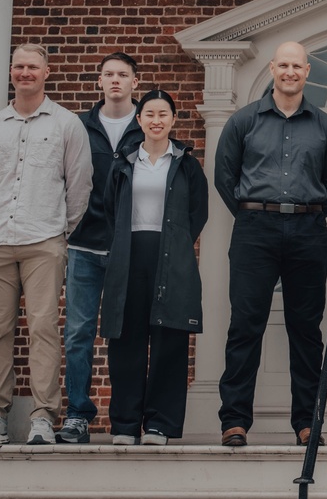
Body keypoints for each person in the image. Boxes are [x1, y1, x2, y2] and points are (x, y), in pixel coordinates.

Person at [215, 41, 327, 447]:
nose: (290, 72)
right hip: (255, 229)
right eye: (283, 64)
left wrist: (304, 217)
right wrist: (254, 215)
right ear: (273, 68)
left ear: (307, 71)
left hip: (308, 232)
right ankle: (235, 420)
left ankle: (307, 422)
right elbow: (224, 177)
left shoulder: (325, 126)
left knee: (306, 329)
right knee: (245, 325)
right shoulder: (243, 121)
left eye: (297, 66)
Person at [0, 43, 92, 445]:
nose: (24, 73)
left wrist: (58, 230)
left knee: (42, 328)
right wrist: (0, 219)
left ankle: (42, 417)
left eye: (32, 67)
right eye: (18, 66)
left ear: (46, 72)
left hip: (45, 240)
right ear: (12, 72)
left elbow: (79, 185)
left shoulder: (66, 124)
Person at [99, 89, 208, 445]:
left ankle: (159, 424)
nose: (156, 120)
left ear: (173, 120)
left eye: (164, 114)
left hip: (171, 257)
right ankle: (126, 425)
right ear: (139, 119)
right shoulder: (125, 163)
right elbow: (110, 209)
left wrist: (175, 243)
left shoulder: (187, 165)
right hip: (130, 255)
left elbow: (198, 213)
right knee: (126, 339)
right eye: (150, 114)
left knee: (169, 340)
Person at [57, 52, 144, 444]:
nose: (114, 81)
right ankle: (77, 414)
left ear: (134, 82)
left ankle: (128, 420)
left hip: (130, 247)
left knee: (127, 334)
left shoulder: (148, 124)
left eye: (122, 75)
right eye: (108, 74)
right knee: (78, 332)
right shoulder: (77, 126)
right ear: (99, 82)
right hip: (84, 245)